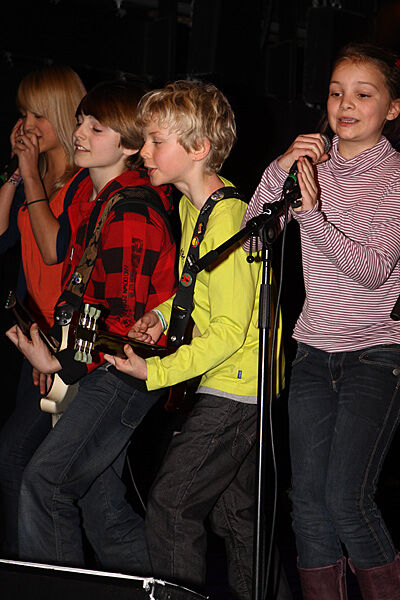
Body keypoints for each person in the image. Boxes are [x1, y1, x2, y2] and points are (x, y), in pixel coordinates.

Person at [104, 81, 290, 600]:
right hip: (232, 380)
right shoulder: (194, 206)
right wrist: (160, 316)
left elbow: (231, 330)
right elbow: (198, 289)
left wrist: (157, 371)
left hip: (238, 385)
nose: (143, 152)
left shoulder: (228, 216)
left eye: (155, 141)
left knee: (171, 506)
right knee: (237, 521)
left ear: (199, 148)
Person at [244, 42, 400, 600]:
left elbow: (374, 270)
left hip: (376, 356)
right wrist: (280, 168)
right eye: (336, 93)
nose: (345, 104)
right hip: (312, 353)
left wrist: (313, 217)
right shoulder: (312, 168)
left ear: (393, 108)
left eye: (362, 94)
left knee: (346, 500)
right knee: (308, 505)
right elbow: (252, 238)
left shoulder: (394, 179)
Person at [6, 80, 177, 573]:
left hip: (122, 372)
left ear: (129, 146)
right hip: (101, 366)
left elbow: (122, 323)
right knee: (101, 511)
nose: (79, 132)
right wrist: (56, 352)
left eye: (96, 128)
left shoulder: (132, 209)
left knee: (45, 483)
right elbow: (86, 296)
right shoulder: (97, 195)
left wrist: (61, 362)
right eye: (81, 121)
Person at [0, 65, 86, 557]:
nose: (28, 125)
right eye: (23, 114)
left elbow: (55, 251)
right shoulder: (38, 172)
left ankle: (29, 572)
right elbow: (3, 237)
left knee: (16, 457)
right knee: (23, 462)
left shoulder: (81, 179)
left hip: (65, 342)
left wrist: (31, 172)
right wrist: (17, 172)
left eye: (38, 114)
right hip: (34, 337)